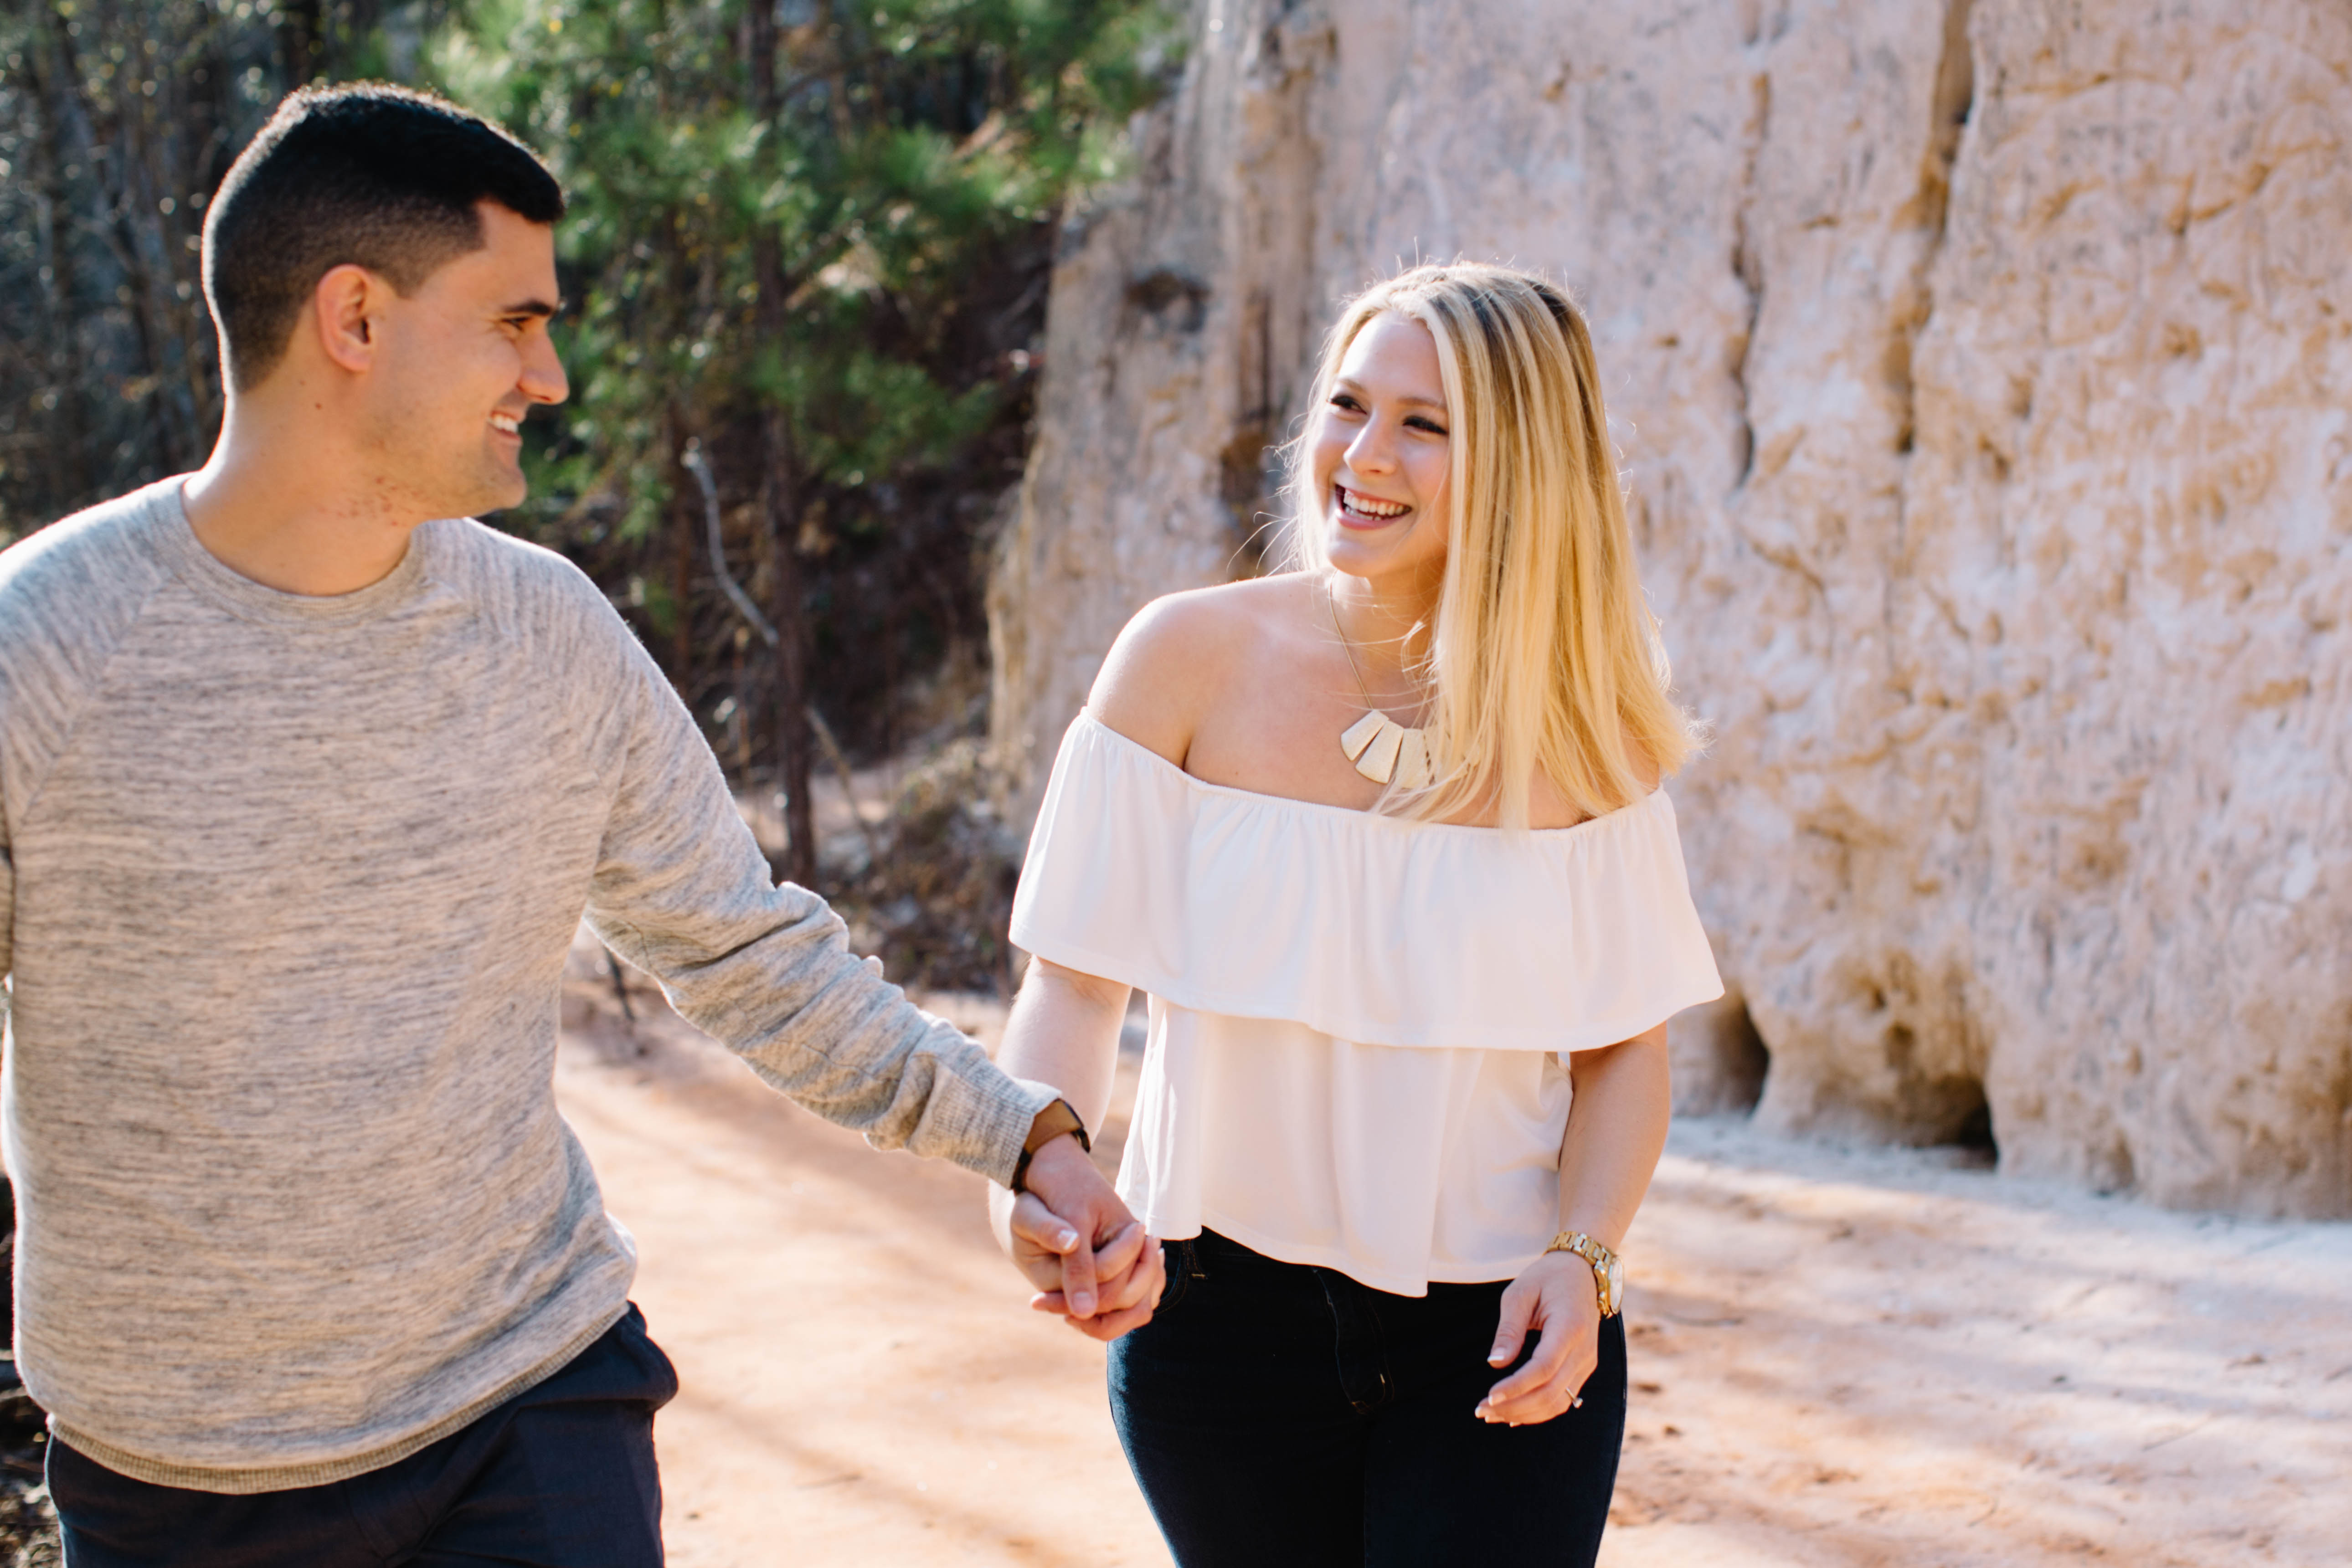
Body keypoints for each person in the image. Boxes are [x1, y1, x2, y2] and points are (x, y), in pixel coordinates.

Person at [0, 82, 1157, 1568]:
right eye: (512, 322)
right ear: (354, 320)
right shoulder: (44, 652)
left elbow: (746, 953)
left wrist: (1027, 1138)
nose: (548, 376)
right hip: (178, 1478)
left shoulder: (544, 631)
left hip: (523, 1400)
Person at [989, 262, 1724, 1564]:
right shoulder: (1182, 663)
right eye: (1347, 404)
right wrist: (1042, 1173)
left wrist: (1585, 1257)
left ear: (1521, 464)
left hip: (1500, 1329)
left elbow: (1624, 1052)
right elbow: (1072, 982)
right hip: (1209, 1329)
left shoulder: (1585, 728)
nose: (1362, 454)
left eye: (1424, 424)